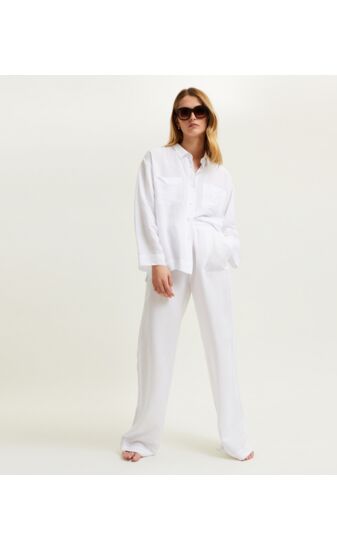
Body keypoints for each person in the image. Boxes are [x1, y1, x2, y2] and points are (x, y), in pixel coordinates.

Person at [120, 87, 254, 462]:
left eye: (199, 111)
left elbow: (229, 226)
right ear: (176, 120)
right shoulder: (156, 160)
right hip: (170, 263)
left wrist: (222, 250)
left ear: (209, 118)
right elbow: (145, 211)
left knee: (222, 347)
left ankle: (235, 439)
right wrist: (156, 261)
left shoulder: (221, 174)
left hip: (211, 264)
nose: (192, 117)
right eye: (184, 112)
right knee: (155, 348)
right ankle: (142, 438)